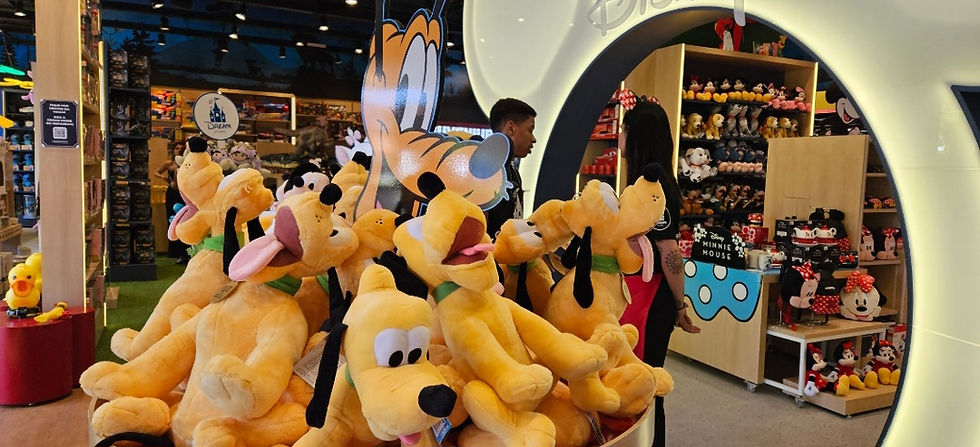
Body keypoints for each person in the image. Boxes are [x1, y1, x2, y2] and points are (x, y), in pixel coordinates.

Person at [618, 100, 700, 447]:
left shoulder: (654, 186)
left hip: (651, 298)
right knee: (635, 380)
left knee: (647, 384)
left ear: (634, 135)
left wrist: (679, 305)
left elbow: (669, 250)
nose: (619, 137)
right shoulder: (646, 181)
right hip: (640, 293)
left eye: (623, 130)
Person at [484, 98, 536, 239]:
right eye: (530, 130)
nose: (534, 139)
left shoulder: (512, 170)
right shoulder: (487, 170)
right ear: (511, 128)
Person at [155, 141, 190, 264]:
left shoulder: (186, 163)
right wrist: (165, 179)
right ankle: (175, 251)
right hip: (172, 193)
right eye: (177, 148)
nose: (179, 150)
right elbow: (156, 172)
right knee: (172, 219)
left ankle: (186, 251)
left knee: (185, 220)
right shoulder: (169, 163)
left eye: (181, 148)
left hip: (184, 193)